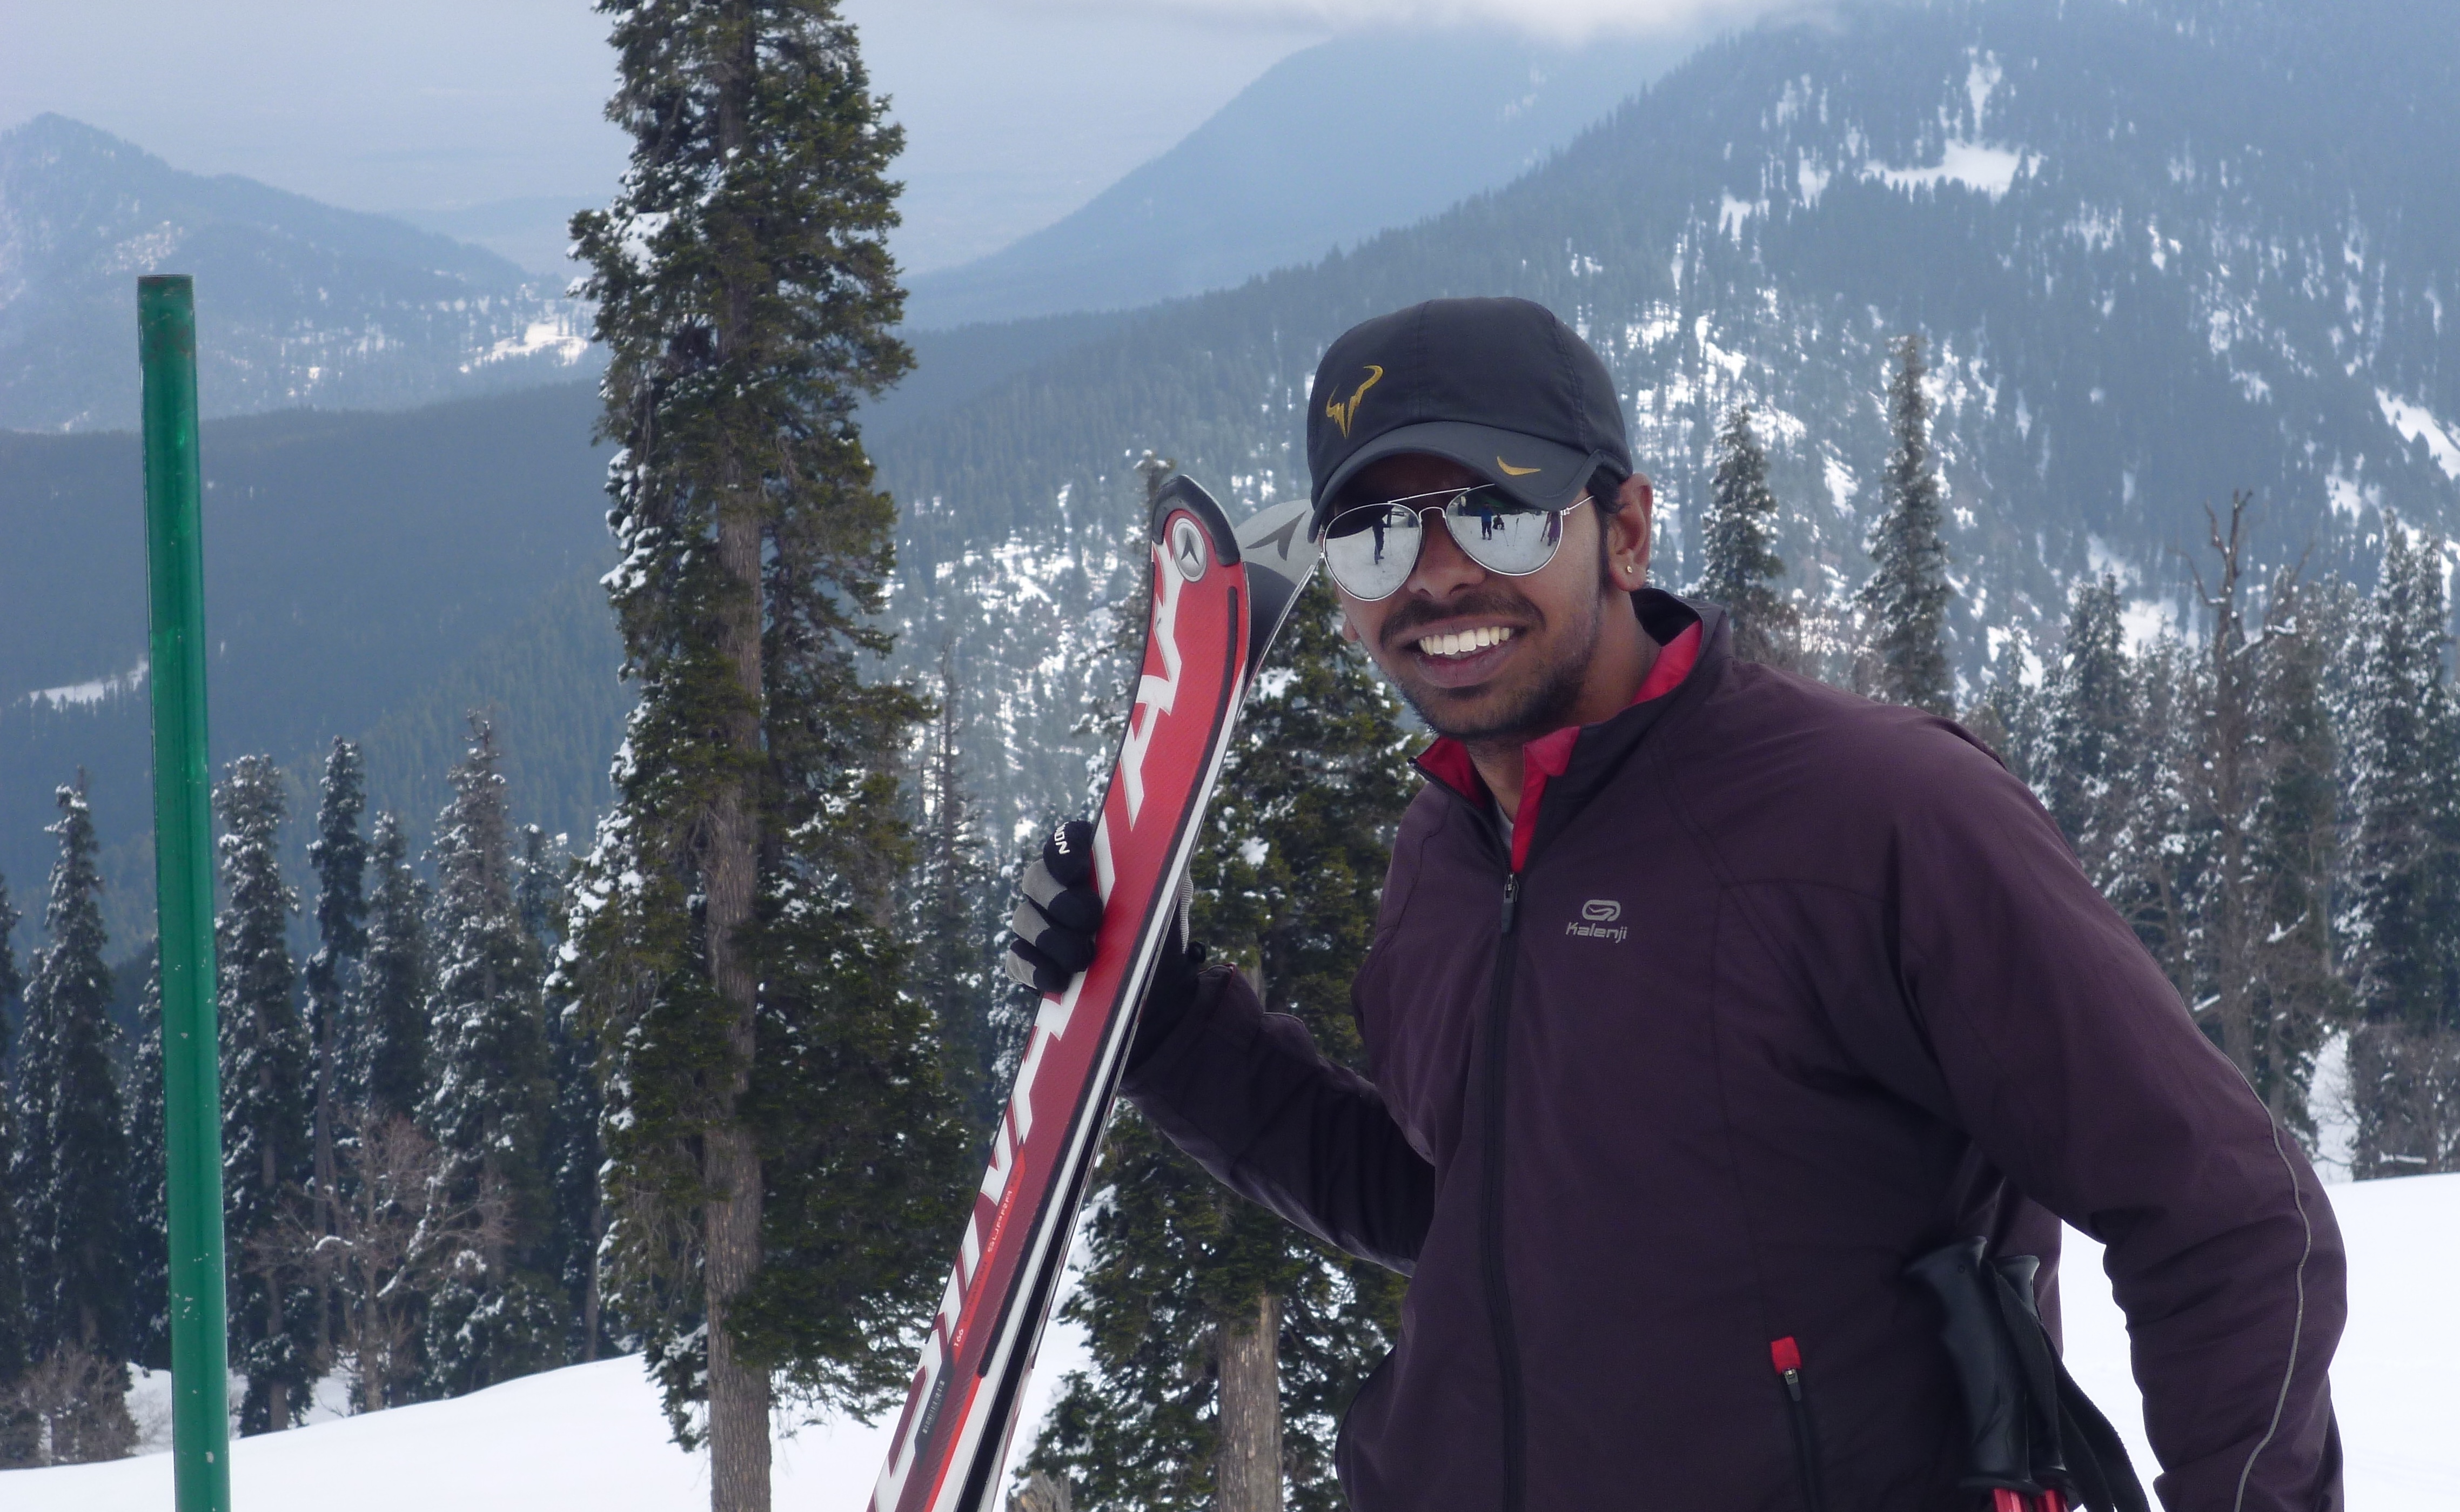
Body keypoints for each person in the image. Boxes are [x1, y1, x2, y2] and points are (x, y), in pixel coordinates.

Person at [1005, 297, 2344, 1511]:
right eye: (1372, 536)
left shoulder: (1873, 815)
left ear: (1627, 529)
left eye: (1500, 513)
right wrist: (1169, 1022)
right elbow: (1459, 1199)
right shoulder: (1450, 851)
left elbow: (2226, 1209)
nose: (1436, 576)